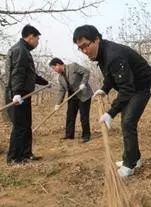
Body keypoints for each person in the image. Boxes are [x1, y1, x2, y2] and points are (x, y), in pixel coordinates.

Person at [73, 25, 151, 177]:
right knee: (127, 122)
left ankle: (129, 165)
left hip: (141, 86)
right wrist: (104, 88)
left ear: (96, 39)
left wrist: (111, 113)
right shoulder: (102, 53)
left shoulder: (113, 55)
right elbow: (110, 75)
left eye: (86, 46)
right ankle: (134, 158)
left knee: (128, 122)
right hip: (131, 86)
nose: (84, 51)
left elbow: (127, 89)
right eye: (80, 48)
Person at [5, 24, 49, 164]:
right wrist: (16, 93)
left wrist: (45, 82)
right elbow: (18, 72)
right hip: (17, 95)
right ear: (30, 37)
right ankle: (14, 158)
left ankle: (26, 154)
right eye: (37, 39)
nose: (37, 43)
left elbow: (30, 74)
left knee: (26, 125)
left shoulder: (24, 51)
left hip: (24, 94)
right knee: (19, 127)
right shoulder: (20, 50)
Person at [49, 58, 93, 143]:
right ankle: (69, 135)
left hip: (83, 93)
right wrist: (58, 104)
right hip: (72, 96)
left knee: (84, 116)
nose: (54, 70)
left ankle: (86, 136)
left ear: (58, 65)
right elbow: (62, 90)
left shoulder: (73, 66)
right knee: (70, 115)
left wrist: (83, 83)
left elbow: (86, 72)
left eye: (54, 68)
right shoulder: (60, 78)